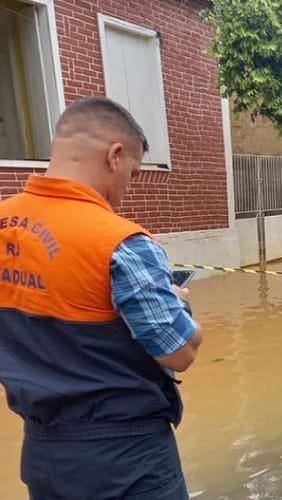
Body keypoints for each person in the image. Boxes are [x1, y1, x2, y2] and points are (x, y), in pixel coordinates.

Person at [0, 96, 203, 499]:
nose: (127, 188)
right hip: (126, 457)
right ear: (114, 155)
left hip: (43, 456)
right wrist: (178, 301)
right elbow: (179, 352)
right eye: (133, 172)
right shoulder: (119, 242)